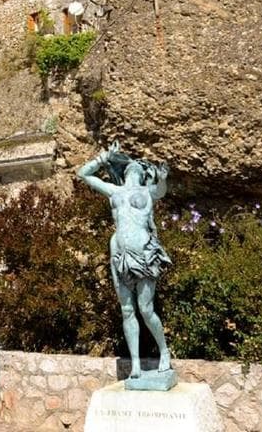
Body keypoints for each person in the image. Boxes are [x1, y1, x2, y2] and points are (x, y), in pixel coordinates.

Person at [77, 141, 173, 378]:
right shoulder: (115, 191)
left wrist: (161, 178)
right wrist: (104, 157)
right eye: (131, 165)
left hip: (144, 253)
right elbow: (84, 174)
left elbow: (161, 191)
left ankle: (164, 351)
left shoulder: (147, 192)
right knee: (127, 310)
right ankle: (136, 363)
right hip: (119, 256)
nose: (134, 167)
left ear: (144, 173)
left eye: (140, 167)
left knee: (146, 309)